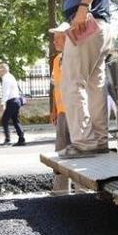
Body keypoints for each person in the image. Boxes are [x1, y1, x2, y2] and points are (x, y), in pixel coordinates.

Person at [47, 0, 113, 158]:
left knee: (71, 83)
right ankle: (100, 139)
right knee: (95, 84)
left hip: (87, 23)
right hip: (101, 26)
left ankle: (84, 142)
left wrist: (82, 10)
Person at [49, 23, 72, 193]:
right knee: (62, 153)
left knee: (79, 155)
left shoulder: (76, 57)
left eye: (58, 38)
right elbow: (55, 86)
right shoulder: (57, 60)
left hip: (76, 113)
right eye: (55, 38)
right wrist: (55, 110)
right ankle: (60, 192)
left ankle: (82, 192)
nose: (54, 42)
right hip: (63, 113)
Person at [0, 63, 25, 147]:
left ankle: (8, 139)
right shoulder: (11, 76)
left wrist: (3, 104)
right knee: (15, 120)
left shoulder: (5, 78)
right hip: (16, 101)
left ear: (3, 70)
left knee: (4, 120)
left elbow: (6, 92)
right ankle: (21, 139)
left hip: (12, 101)